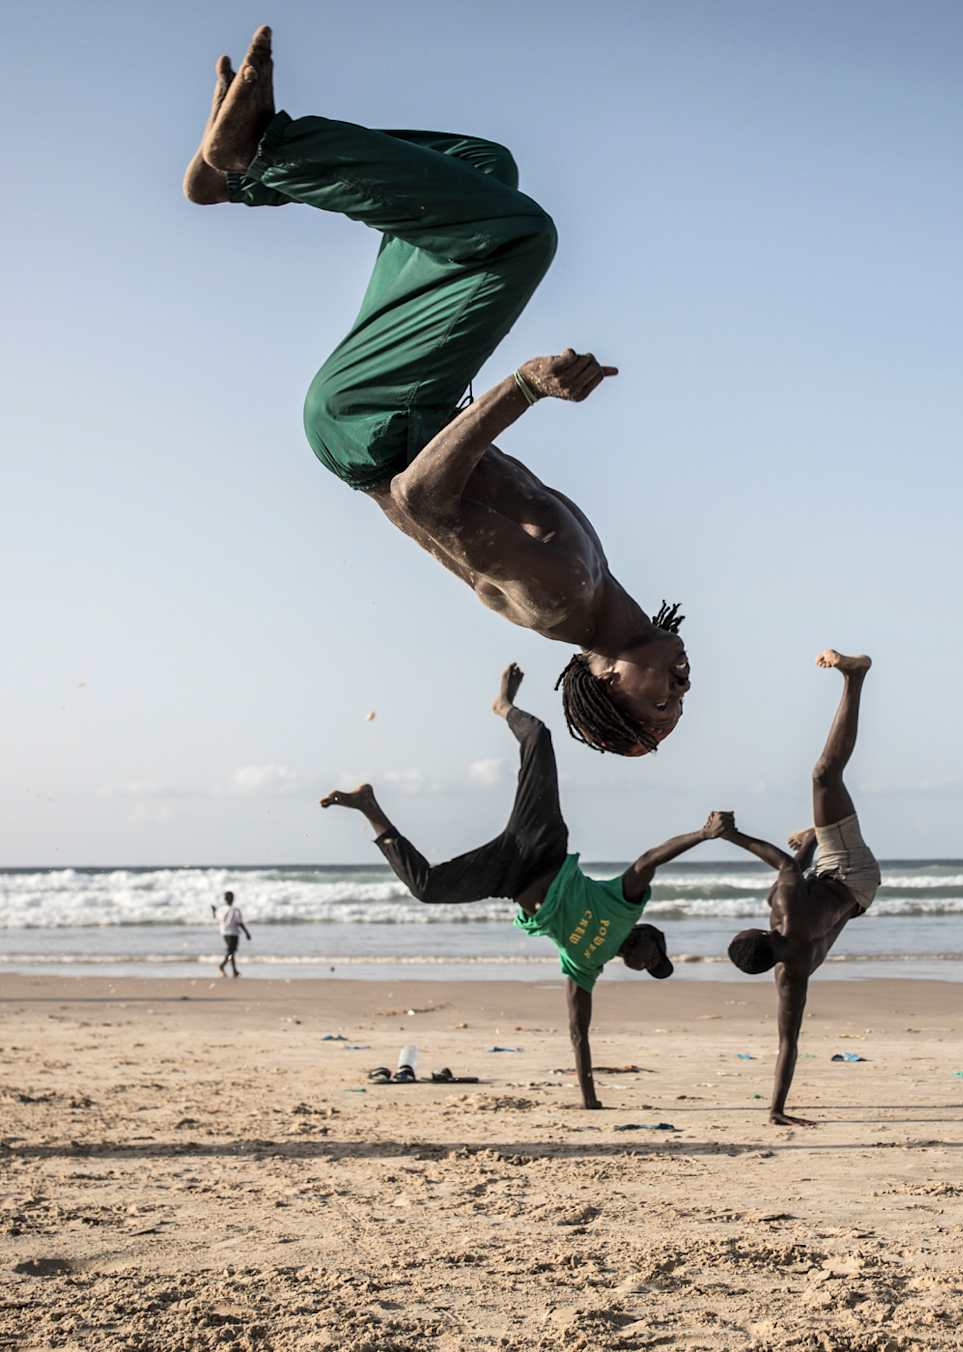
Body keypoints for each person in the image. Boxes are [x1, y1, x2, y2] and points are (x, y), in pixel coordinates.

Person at [184, 27, 690, 756]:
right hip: (395, 415)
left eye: (659, 707)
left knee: (521, 238)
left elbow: (422, 499)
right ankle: (231, 180)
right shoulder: (591, 586)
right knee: (484, 168)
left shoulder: (560, 599)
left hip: (377, 425)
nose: (678, 688)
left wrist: (524, 386)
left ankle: (262, 151)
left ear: (606, 678)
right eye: (682, 699)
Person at [320, 663, 728, 1107]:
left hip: (509, 877)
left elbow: (578, 1031)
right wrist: (702, 834)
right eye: (656, 960)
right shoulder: (625, 906)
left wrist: (589, 1099)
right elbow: (650, 860)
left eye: (652, 969)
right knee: (540, 739)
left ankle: (369, 807)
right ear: (650, 939)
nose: (649, 965)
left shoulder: (586, 966)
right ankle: (505, 706)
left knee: (426, 888)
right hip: (543, 845)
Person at [719, 650, 881, 1127]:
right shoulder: (784, 907)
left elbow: (788, 1042)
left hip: (859, 897)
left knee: (808, 842)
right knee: (823, 775)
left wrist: (777, 1110)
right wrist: (729, 834)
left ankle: (813, 833)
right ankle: (855, 677)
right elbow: (783, 864)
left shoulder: (792, 973)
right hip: (847, 869)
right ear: (761, 932)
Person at [214, 890, 252, 978]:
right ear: (232, 899)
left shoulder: (221, 909)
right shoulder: (235, 910)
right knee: (231, 952)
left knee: (231, 952)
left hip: (224, 932)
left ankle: (234, 970)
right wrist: (247, 932)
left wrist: (214, 910)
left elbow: (216, 917)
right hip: (233, 933)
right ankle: (223, 965)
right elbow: (239, 922)